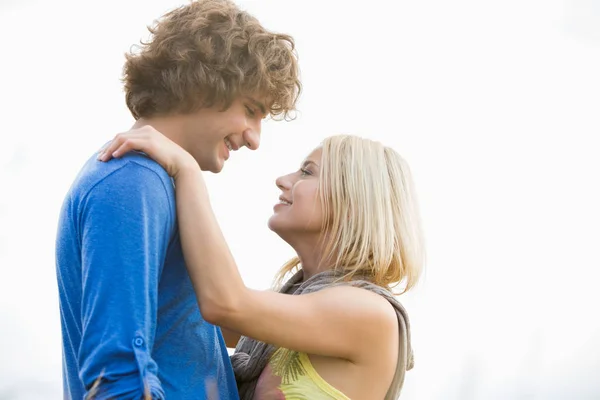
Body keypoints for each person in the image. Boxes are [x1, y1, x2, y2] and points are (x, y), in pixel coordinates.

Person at [55, 0, 301, 398]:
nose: (255, 138)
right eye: (251, 110)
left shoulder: (158, 183)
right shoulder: (131, 182)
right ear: (204, 84)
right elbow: (117, 375)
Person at [98, 127, 425, 400]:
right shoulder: (297, 308)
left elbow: (224, 304)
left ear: (353, 203)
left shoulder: (368, 313)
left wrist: (186, 170)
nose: (283, 179)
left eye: (307, 172)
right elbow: (189, 309)